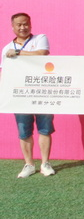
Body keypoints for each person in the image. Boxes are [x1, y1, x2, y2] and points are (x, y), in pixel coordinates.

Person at [1, 13, 54, 178]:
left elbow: (42, 53)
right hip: (20, 94)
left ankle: (45, 163)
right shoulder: (7, 48)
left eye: (25, 24)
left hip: (42, 91)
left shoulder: (40, 38)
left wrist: (18, 53)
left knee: (45, 128)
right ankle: (29, 164)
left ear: (30, 25)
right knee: (24, 130)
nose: (23, 27)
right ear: (13, 27)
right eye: (19, 25)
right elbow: (4, 73)